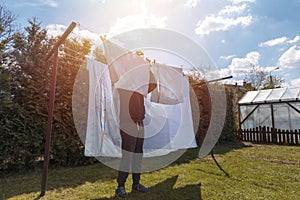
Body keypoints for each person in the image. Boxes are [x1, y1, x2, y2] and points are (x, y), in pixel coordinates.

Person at [115, 88, 150, 198]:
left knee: (138, 155)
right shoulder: (124, 86)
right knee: (128, 155)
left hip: (140, 123)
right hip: (128, 124)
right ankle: (120, 186)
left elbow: (152, 85)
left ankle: (136, 184)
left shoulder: (141, 87)